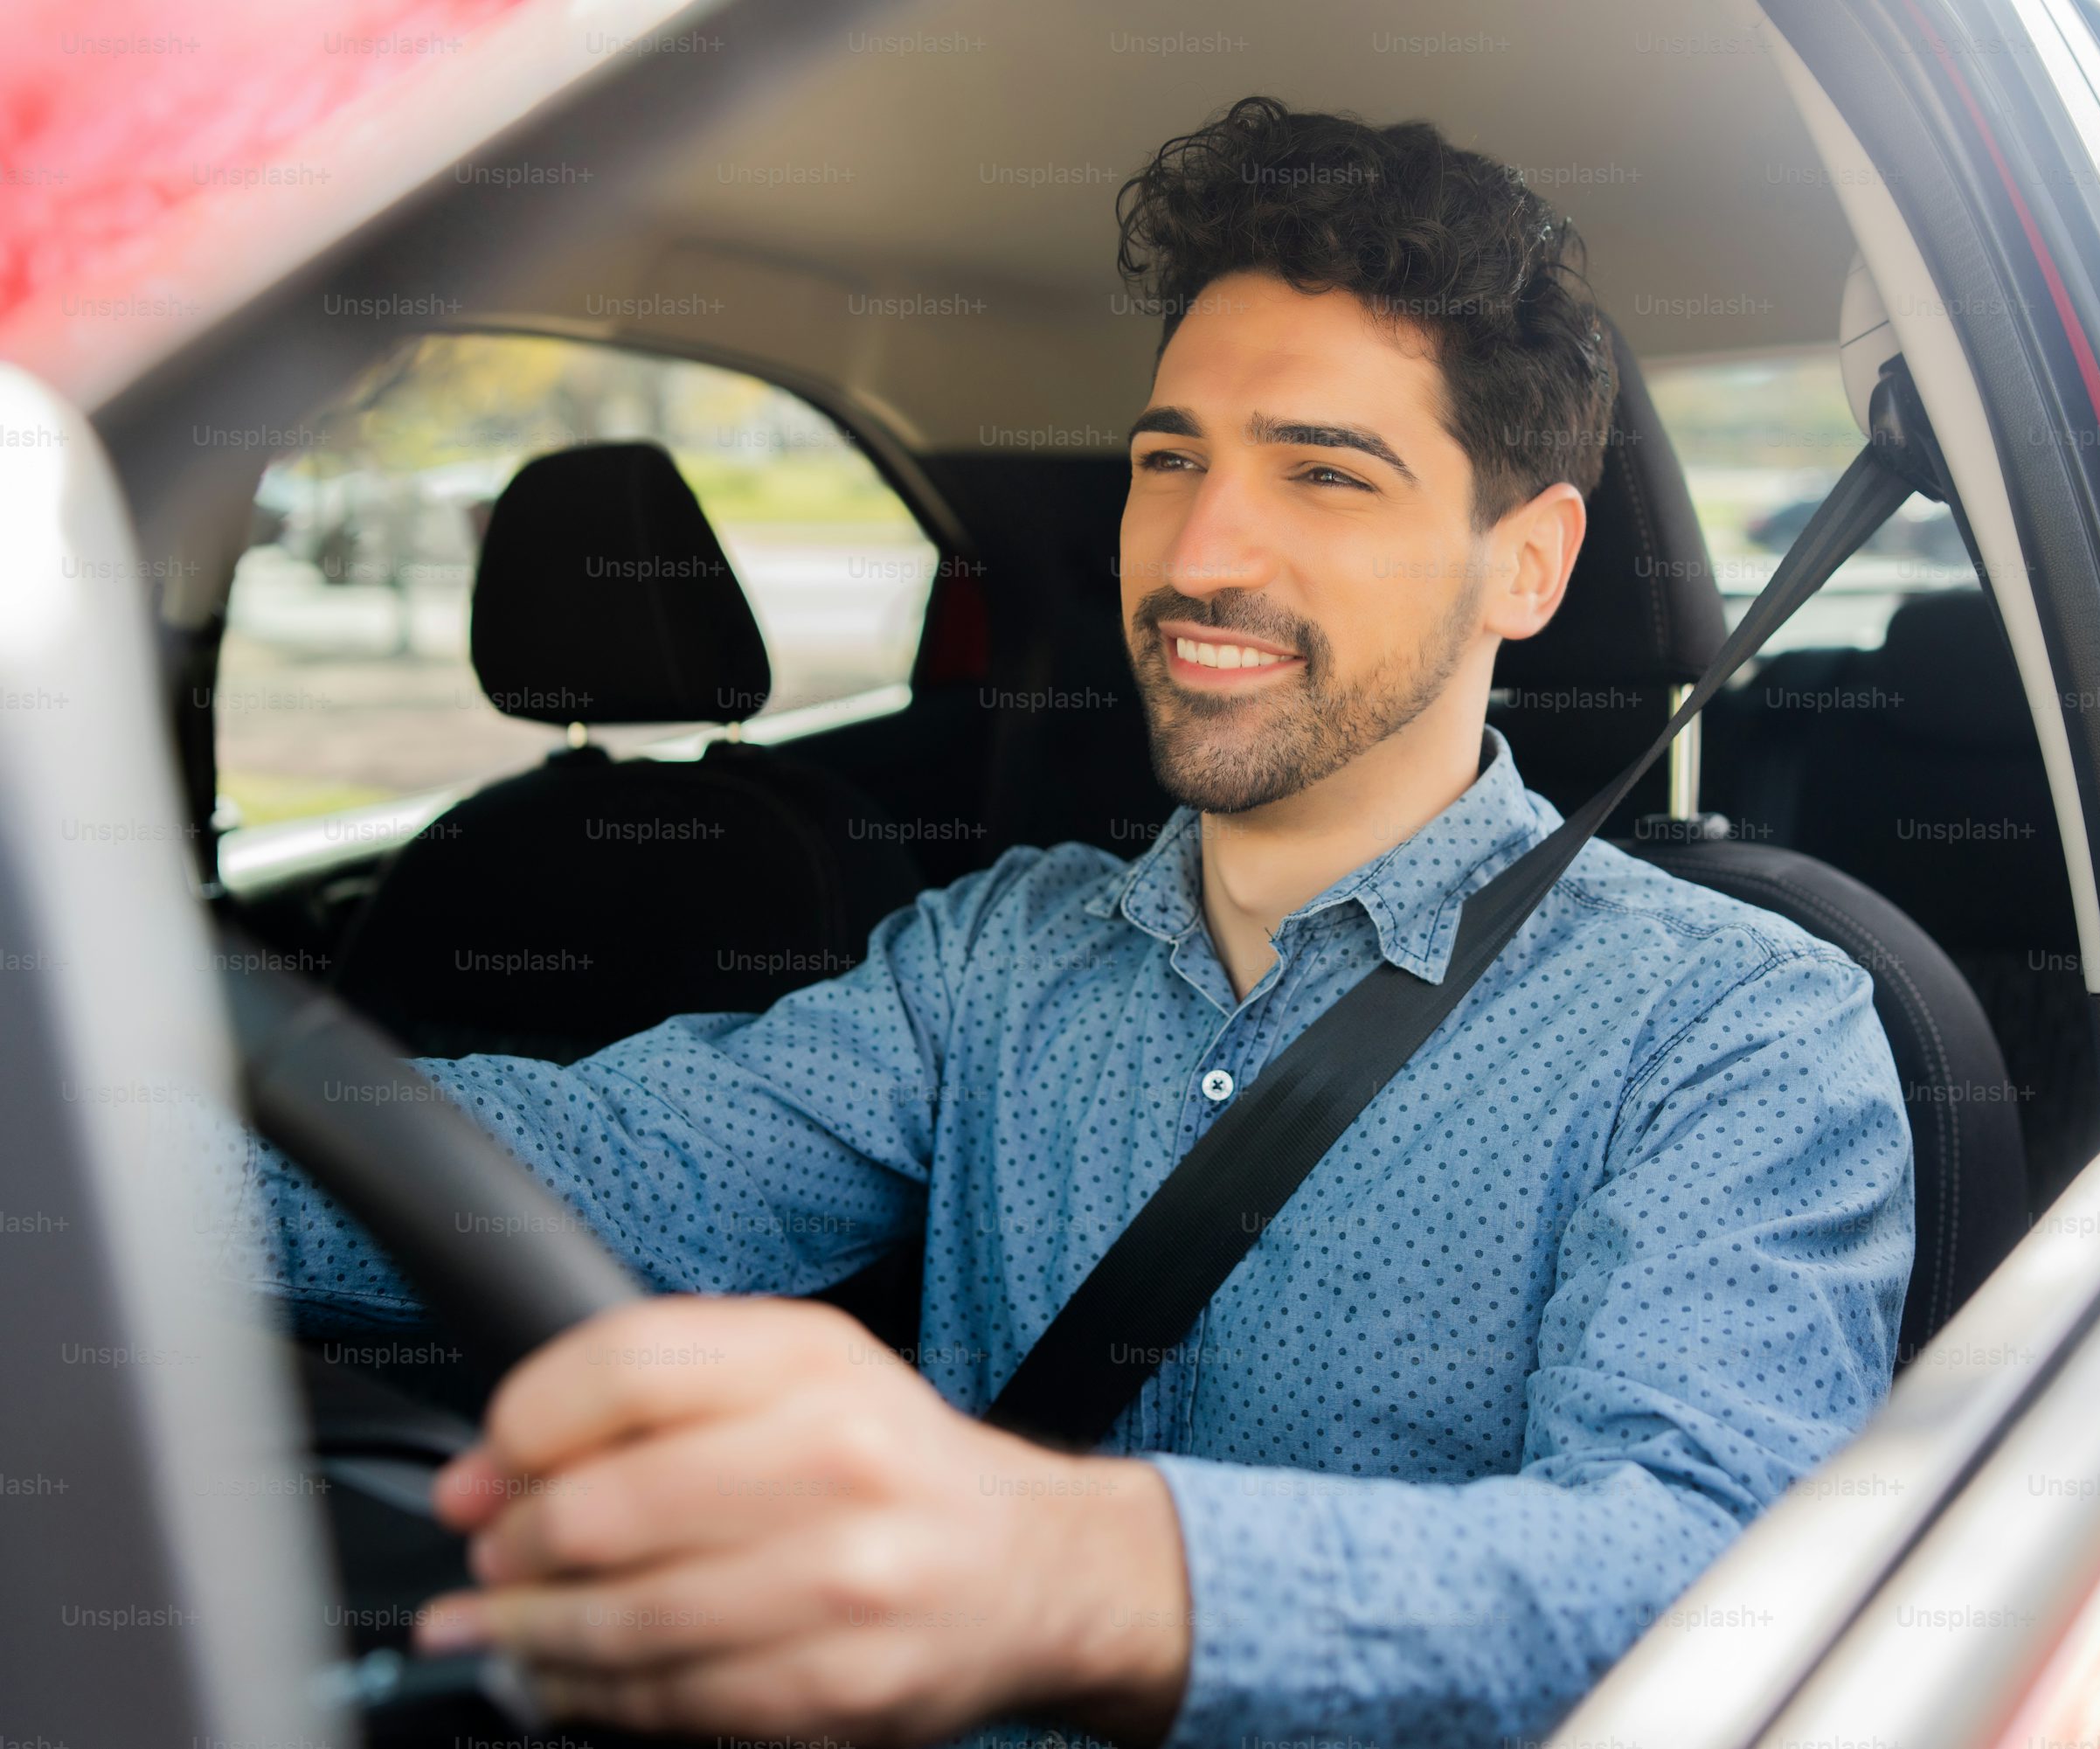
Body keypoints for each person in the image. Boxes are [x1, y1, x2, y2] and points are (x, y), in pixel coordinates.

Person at [234, 95, 1913, 1748]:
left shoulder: (1736, 1026)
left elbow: (1713, 1573)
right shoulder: (997, 953)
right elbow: (600, 1160)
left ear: (1528, 565)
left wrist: (1073, 1569)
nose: (1202, 548)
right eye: (1169, 459)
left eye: (1325, 475)